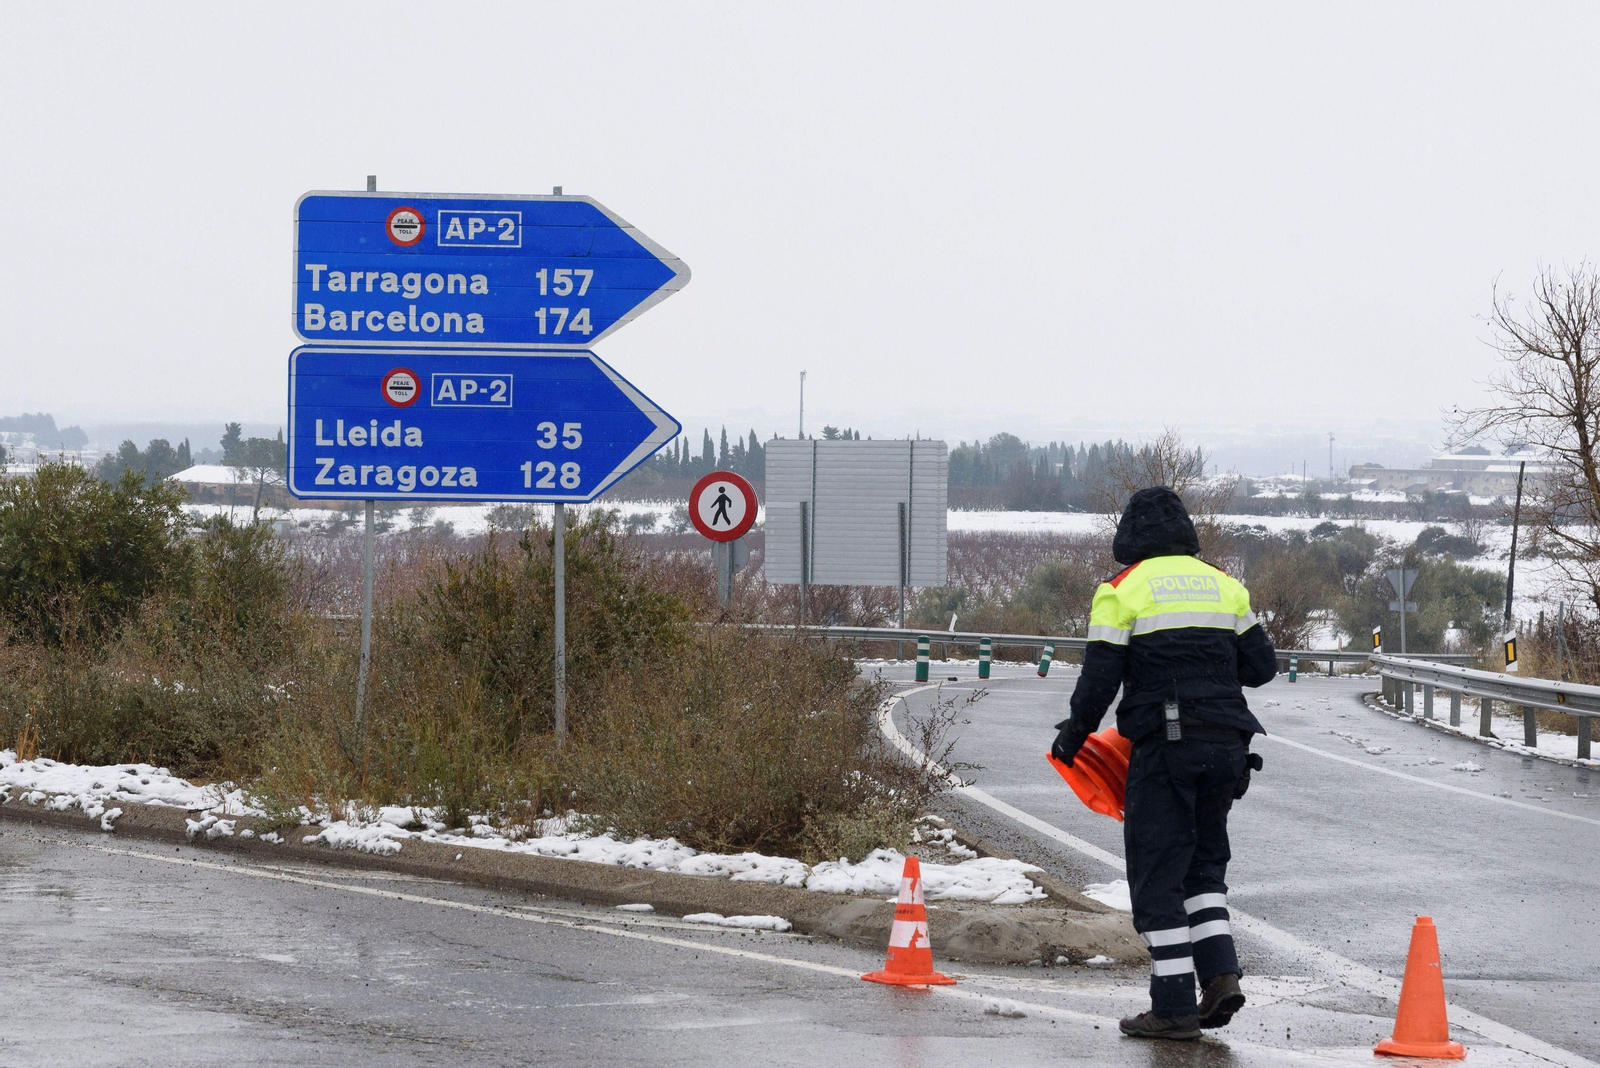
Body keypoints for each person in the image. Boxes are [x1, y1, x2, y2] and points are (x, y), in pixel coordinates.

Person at [1051, 486, 1276, 1041]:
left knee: (1157, 877)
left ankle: (1173, 1008)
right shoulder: (1225, 585)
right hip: (1228, 747)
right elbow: (1263, 666)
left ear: (1129, 538)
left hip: (1166, 750)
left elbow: (1099, 679)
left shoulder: (1121, 590)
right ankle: (1221, 976)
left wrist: (1073, 736)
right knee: (1203, 868)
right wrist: (1210, 672)